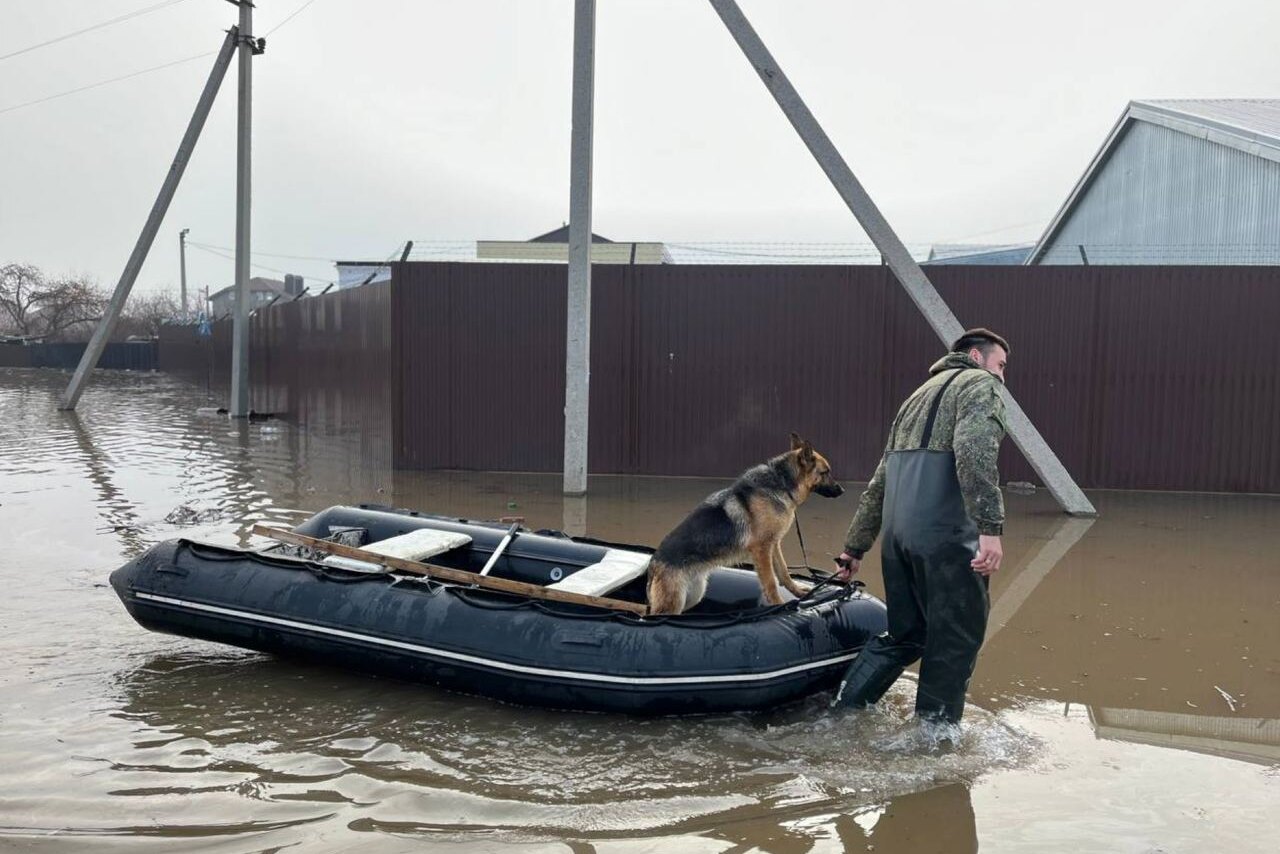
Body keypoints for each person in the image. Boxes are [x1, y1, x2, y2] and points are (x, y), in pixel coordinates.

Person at [831, 328, 1010, 724]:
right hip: (946, 538)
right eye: (1001, 365)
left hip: (899, 540)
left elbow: (880, 483)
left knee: (904, 635)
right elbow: (974, 451)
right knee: (955, 641)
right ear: (978, 358)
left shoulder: (915, 396)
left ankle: (842, 715)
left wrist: (854, 548)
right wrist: (989, 527)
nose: (1003, 376)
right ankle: (933, 743)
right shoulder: (980, 385)